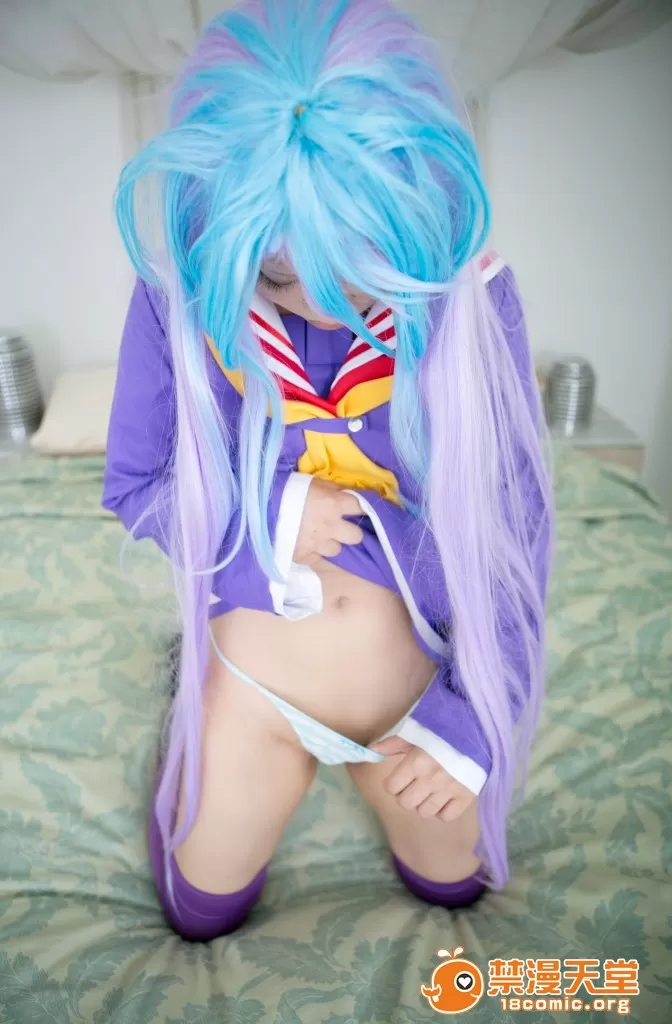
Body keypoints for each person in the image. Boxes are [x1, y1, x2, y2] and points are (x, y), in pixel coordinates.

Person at [103, 0, 553, 942]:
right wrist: (269, 517)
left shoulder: (471, 299)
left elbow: (517, 534)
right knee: (199, 913)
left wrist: (476, 718)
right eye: (275, 276)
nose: (316, 306)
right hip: (255, 687)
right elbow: (136, 487)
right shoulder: (178, 297)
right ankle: (193, 707)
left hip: (418, 686)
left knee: (454, 889)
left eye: (354, 271)